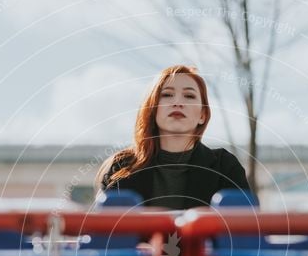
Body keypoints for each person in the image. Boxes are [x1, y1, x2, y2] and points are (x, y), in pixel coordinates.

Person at [95, 65, 250, 209]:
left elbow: (245, 231)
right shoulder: (121, 167)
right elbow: (105, 233)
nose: (177, 102)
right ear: (153, 109)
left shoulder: (225, 168)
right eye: (167, 94)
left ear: (202, 115)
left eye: (189, 96)